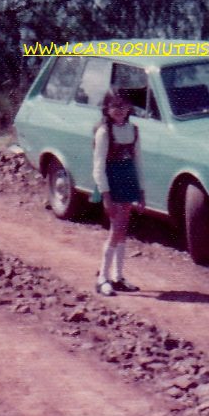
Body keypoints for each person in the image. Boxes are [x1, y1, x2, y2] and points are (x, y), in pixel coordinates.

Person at [93, 90, 146, 296]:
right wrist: (105, 195)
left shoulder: (134, 129)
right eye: (114, 106)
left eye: (123, 105)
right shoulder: (104, 131)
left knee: (123, 229)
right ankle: (102, 278)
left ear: (129, 108)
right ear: (106, 109)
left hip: (128, 180)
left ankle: (118, 277)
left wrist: (141, 191)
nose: (119, 110)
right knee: (116, 230)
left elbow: (138, 160)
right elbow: (98, 166)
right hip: (112, 182)